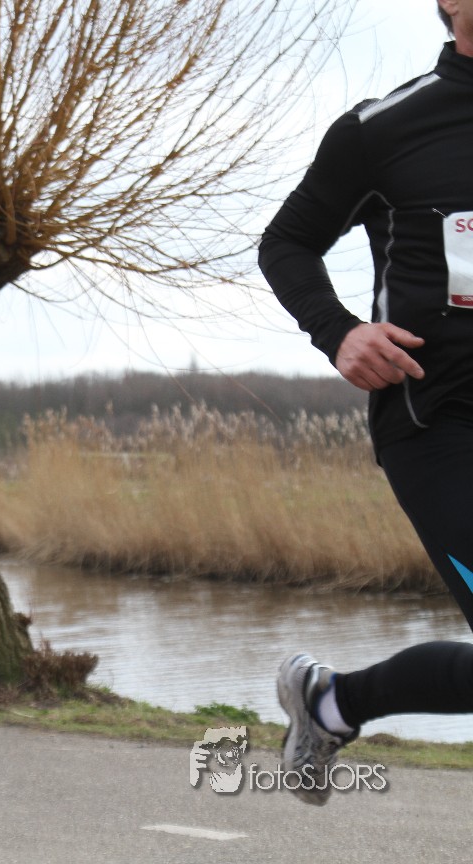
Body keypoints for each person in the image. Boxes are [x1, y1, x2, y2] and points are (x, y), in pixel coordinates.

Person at [258, 0, 473, 806]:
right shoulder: (385, 129)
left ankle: (331, 702)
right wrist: (340, 332)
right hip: (438, 420)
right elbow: (286, 242)